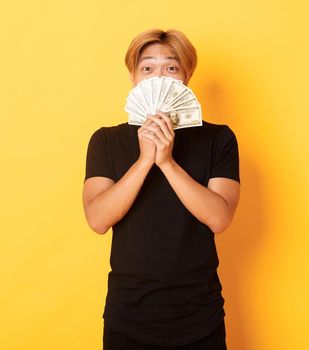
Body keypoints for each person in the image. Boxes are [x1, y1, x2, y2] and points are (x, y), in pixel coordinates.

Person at [82, 29, 240, 350]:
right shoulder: (106, 141)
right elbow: (98, 219)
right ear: (133, 77)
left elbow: (220, 218)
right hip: (128, 313)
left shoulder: (218, 139)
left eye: (171, 67)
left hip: (199, 311)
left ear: (186, 76)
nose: (159, 76)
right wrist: (144, 161)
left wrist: (167, 162)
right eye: (147, 68)